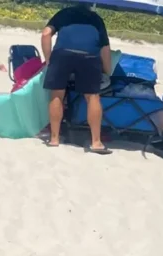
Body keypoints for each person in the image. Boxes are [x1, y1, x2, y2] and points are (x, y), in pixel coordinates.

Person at [41, 3, 113, 154]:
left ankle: (54, 139)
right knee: (92, 97)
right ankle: (96, 142)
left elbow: (46, 33)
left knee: (57, 94)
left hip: (62, 55)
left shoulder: (64, 13)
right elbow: (105, 48)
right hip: (89, 57)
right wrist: (107, 70)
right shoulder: (96, 19)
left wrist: (48, 60)